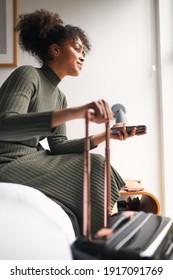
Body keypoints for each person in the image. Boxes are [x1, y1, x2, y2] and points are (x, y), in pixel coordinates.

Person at [0, 9, 143, 235]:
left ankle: (105, 233)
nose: (82, 56)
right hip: (7, 162)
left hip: (34, 157)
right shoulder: (28, 74)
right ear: (55, 50)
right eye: (77, 49)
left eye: (84, 51)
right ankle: (105, 238)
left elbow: (58, 145)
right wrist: (78, 112)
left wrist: (107, 135)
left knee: (97, 162)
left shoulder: (59, 97)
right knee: (94, 166)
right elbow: (6, 125)